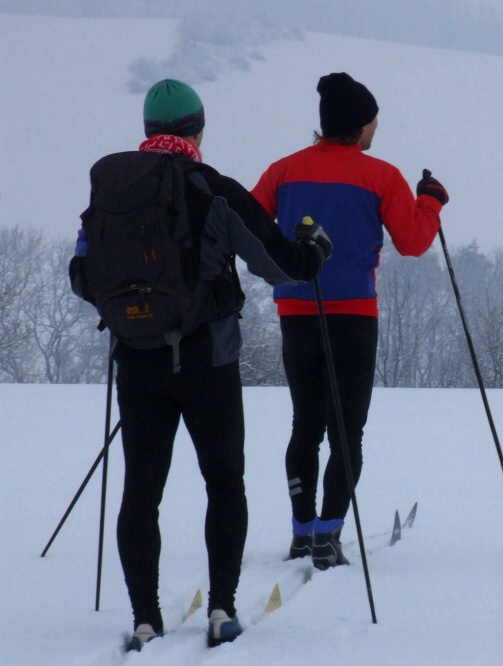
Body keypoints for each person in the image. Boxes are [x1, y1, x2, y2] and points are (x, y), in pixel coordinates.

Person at [69, 79, 331, 650]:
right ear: (198, 129)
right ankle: (221, 608)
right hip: (209, 361)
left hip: (137, 362)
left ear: (147, 132)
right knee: (223, 481)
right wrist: (314, 250)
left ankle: (144, 617)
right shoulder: (214, 191)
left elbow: (83, 277)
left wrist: (137, 316)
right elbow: (281, 265)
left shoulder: (110, 194)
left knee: (141, 491)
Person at [251, 72, 449, 570]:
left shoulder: (282, 171)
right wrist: (431, 200)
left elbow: (249, 228)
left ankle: (300, 531)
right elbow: (413, 242)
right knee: (347, 433)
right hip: (355, 317)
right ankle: (328, 534)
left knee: (305, 425)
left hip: (296, 312)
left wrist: (286, 259)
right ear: (361, 125)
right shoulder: (380, 175)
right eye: (373, 119)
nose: (377, 126)